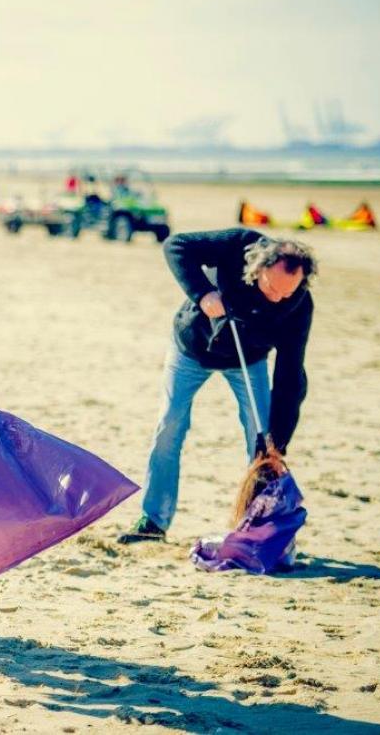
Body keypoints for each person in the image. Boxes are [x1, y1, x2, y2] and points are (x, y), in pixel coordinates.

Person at [119, 229, 317, 544]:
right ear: (257, 269)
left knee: (263, 442)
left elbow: (290, 375)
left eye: (287, 293)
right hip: (191, 350)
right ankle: (154, 521)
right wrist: (202, 293)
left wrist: (279, 441)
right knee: (170, 425)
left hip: (248, 361)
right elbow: (176, 245)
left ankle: (257, 526)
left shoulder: (299, 307)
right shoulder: (240, 245)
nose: (278, 299)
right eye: (271, 288)